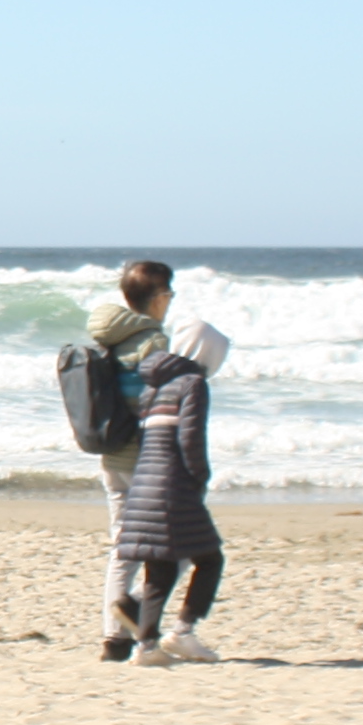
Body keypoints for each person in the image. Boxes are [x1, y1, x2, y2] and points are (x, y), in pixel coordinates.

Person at [115, 314, 235, 661]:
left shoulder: (155, 387)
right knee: (210, 558)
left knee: (161, 566)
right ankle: (183, 632)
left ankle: (146, 646)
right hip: (175, 485)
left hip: (145, 484)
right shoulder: (193, 384)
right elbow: (190, 440)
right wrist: (200, 478)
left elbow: (147, 439)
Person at [84, 259, 182, 660]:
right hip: (145, 460)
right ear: (157, 299)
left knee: (123, 547)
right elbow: (159, 408)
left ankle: (114, 639)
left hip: (112, 455)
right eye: (169, 295)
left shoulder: (108, 335)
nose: (170, 302)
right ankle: (136, 614)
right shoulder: (152, 343)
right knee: (180, 547)